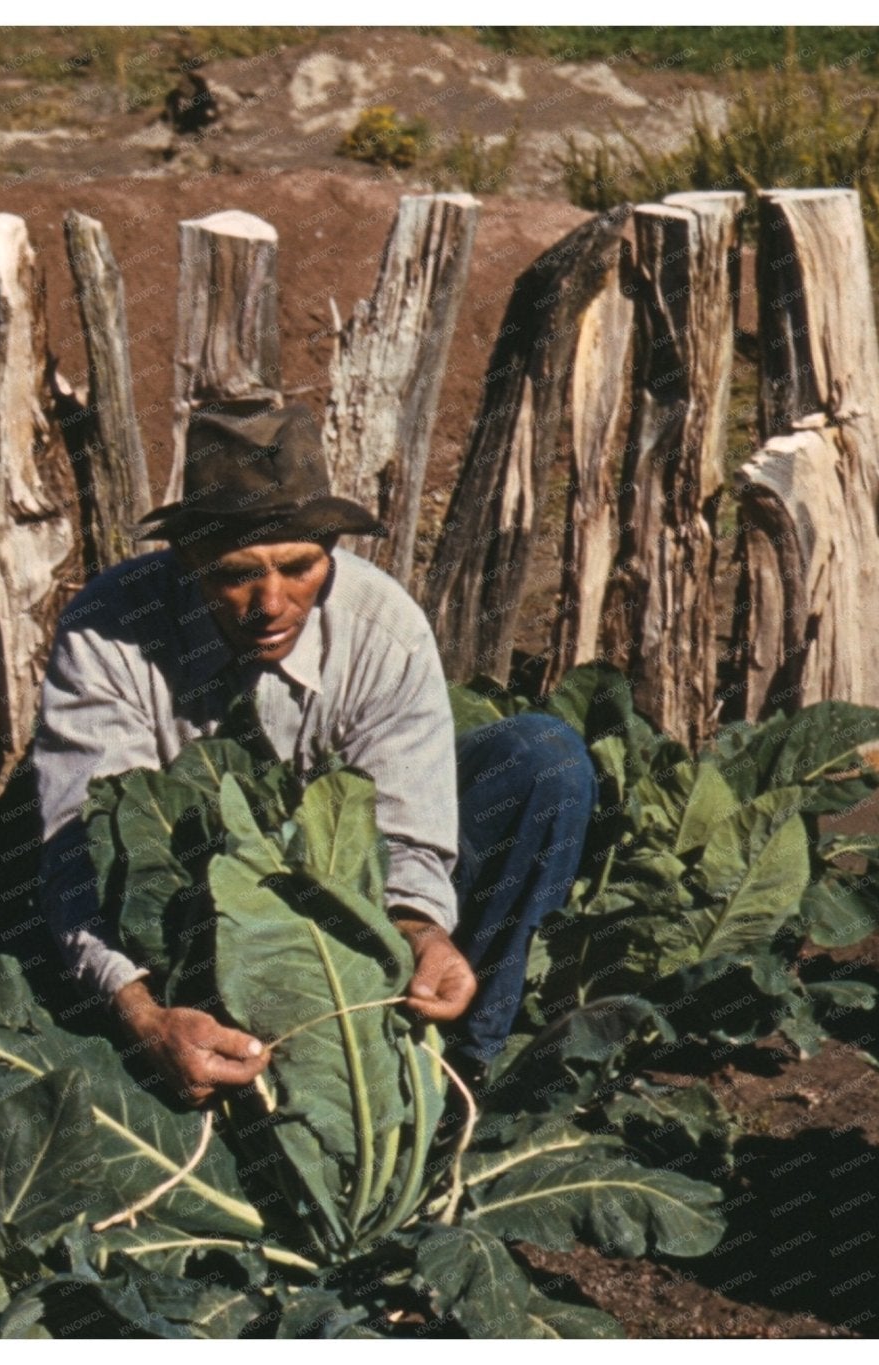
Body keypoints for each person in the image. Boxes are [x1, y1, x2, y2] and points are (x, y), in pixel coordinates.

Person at [33, 398, 595, 1107]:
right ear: (190, 559)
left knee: (545, 759)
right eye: (236, 574)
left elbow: (407, 831)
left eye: (299, 567)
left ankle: (461, 1078)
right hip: (189, 923)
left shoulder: (382, 628)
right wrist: (144, 1015)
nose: (270, 603)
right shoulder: (108, 632)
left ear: (329, 550)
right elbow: (82, 853)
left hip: (346, 897)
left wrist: (422, 931)